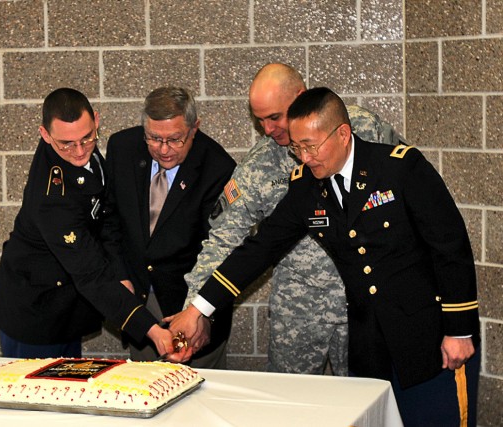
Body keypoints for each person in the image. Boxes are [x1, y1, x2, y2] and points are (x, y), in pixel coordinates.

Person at [171, 87, 480, 426]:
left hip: (431, 341)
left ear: (343, 134)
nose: (304, 157)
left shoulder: (400, 169)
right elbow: (260, 249)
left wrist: (459, 330)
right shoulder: (307, 187)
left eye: (311, 146)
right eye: (297, 147)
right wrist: (200, 308)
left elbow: (450, 247)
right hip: (371, 350)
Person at [184, 63, 404, 375]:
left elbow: (406, 191)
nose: (268, 129)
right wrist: (195, 309)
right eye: (259, 120)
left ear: (300, 97)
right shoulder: (259, 166)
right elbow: (222, 239)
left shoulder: (361, 129)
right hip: (297, 312)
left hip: (362, 305)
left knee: (367, 402)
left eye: (275, 117)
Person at [0, 87, 177, 359]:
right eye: (66, 143)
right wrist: (150, 328)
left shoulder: (84, 152)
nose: (79, 151)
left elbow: (106, 214)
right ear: (45, 135)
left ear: (96, 121)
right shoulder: (52, 198)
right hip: (34, 315)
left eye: (87, 137)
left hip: (66, 308)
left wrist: (119, 270)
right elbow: (90, 273)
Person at [104, 86, 236, 368]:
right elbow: (109, 220)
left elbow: (220, 252)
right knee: (146, 387)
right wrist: (119, 275)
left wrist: (200, 313)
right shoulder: (122, 148)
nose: (163, 150)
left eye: (175, 140)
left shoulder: (218, 167)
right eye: (154, 138)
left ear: (194, 128)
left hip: (189, 302)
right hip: (138, 296)